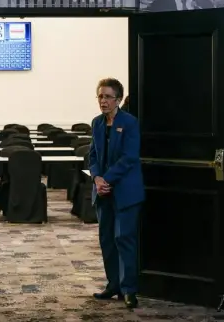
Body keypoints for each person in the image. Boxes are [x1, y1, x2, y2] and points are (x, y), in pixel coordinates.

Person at [89, 78, 144, 309]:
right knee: (107, 240)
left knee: (124, 239)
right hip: (103, 192)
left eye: (108, 97)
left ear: (118, 100)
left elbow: (129, 157)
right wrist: (97, 178)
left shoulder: (129, 122)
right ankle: (113, 285)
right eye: (100, 96)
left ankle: (129, 289)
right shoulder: (97, 123)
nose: (103, 101)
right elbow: (92, 155)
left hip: (125, 191)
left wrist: (107, 179)